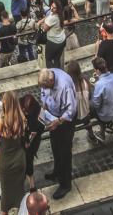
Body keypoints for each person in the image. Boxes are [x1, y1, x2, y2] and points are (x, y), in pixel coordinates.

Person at [38, 67, 77, 200]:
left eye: (45, 86)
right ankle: (57, 171)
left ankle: (65, 184)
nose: (44, 89)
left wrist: (58, 122)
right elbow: (44, 95)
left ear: (51, 80)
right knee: (55, 146)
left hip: (64, 121)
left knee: (65, 152)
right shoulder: (47, 77)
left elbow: (71, 110)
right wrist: (43, 111)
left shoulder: (64, 85)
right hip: (53, 116)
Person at [0, 89, 28, 215]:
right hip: (19, 160)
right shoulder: (22, 118)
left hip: (6, 161)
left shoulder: (1, 121)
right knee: (20, 191)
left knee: (5, 196)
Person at [89, 56, 113, 142]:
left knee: (89, 106)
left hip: (105, 115)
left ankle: (100, 132)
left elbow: (96, 104)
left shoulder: (99, 85)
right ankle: (107, 124)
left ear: (98, 71)